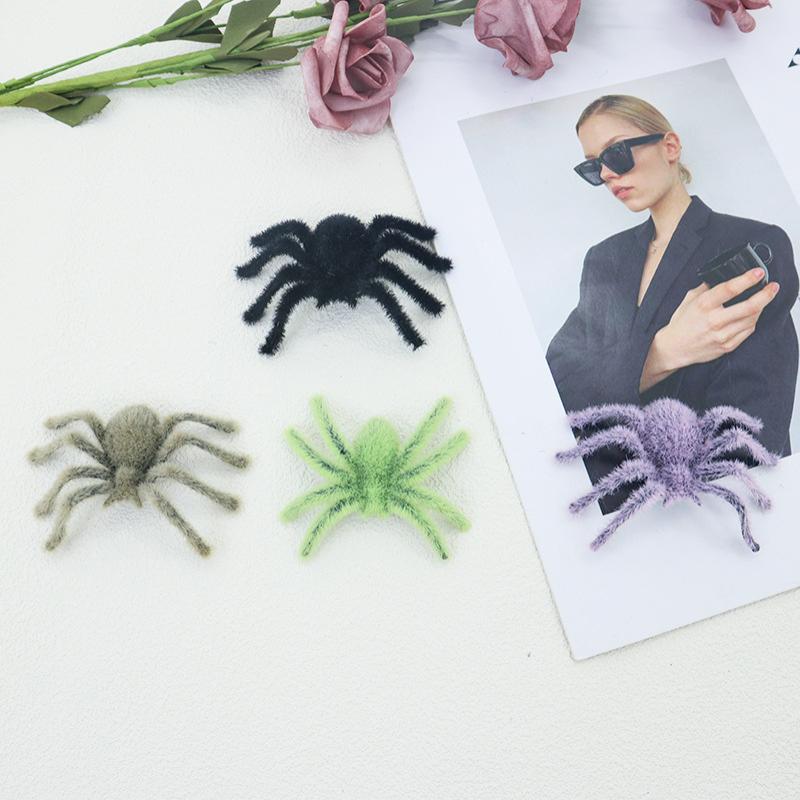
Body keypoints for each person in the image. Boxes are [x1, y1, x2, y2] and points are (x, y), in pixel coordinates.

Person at [546, 94, 799, 503]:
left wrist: (614, 376)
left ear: (670, 146)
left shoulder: (751, 242)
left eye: (616, 154)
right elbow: (558, 383)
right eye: (593, 166)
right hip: (610, 494)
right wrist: (662, 354)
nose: (607, 174)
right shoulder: (605, 259)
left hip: (712, 499)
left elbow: (753, 418)